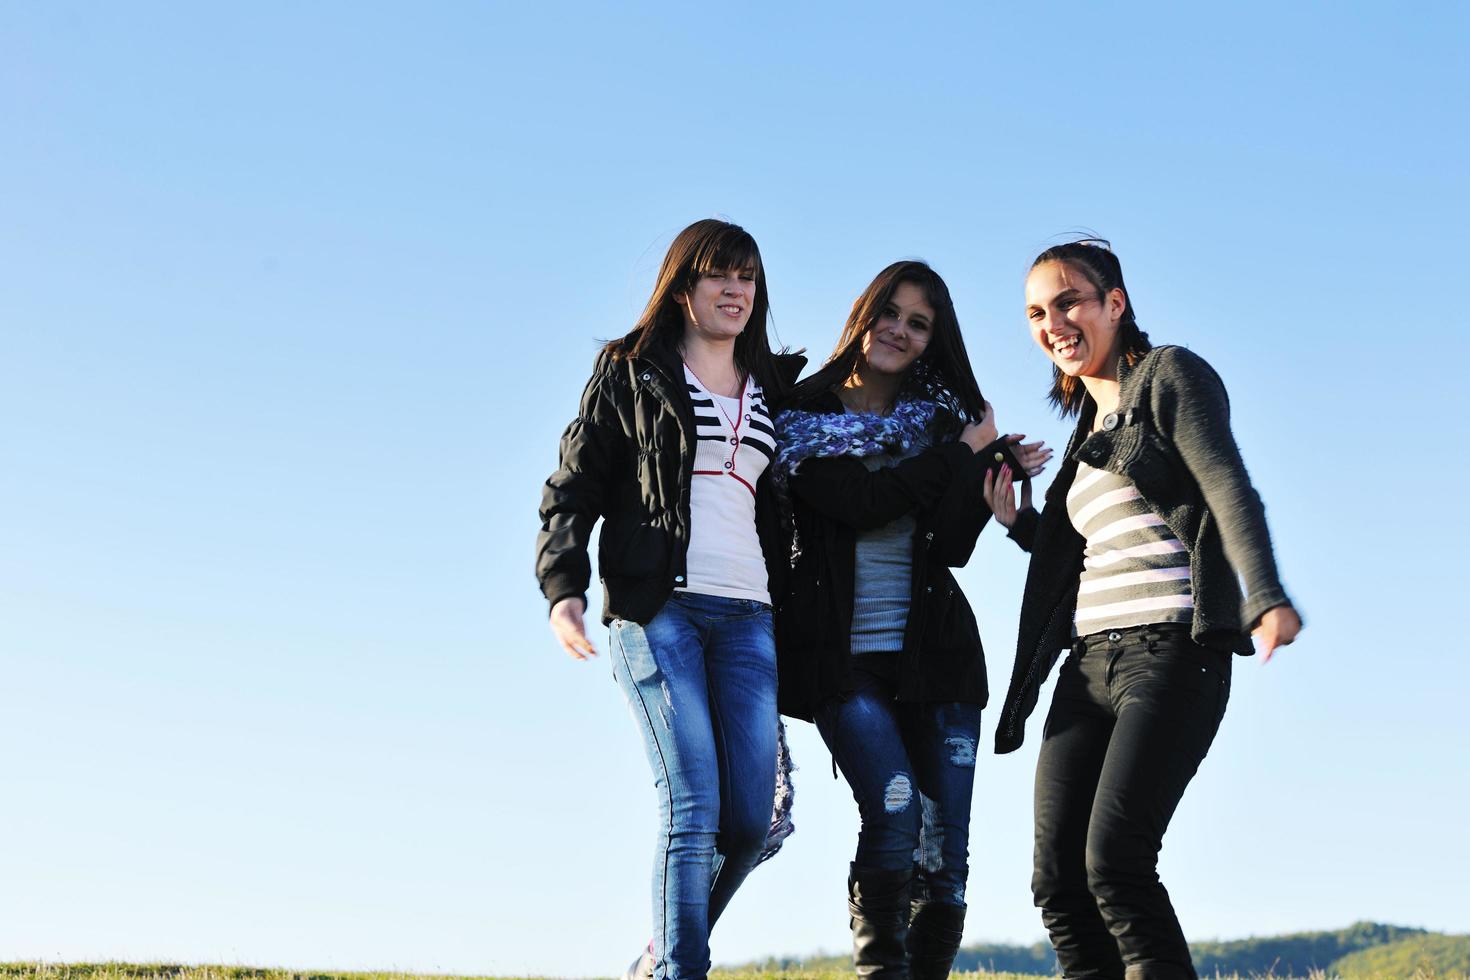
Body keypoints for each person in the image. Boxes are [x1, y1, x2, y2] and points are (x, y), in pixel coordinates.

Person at [983, 239, 1303, 980]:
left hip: (1169, 655)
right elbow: (1096, 554)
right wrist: (1020, 524)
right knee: (1057, 883)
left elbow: (1225, 486)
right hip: (1086, 666)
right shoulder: (1085, 437)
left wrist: (1265, 595)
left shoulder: (1169, 376)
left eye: (1069, 301)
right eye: (1036, 312)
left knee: (1116, 866)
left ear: (1114, 304)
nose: (1053, 322)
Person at [535, 218, 805, 980]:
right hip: (660, 611)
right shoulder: (631, 372)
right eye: (720, 275)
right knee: (692, 809)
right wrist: (564, 588)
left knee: (752, 823)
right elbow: (573, 485)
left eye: (748, 277)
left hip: (750, 618)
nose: (736, 291)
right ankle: (682, 972)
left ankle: (660, 955)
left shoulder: (776, 386)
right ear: (683, 286)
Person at [773, 260, 1049, 980]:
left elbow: (952, 545)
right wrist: (960, 456)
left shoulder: (941, 426)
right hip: (843, 663)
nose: (898, 330)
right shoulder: (801, 418)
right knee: (894, 813)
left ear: (933, 340)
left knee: (946, 848)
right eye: (888, 312)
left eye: (918, 323)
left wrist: (985, 472)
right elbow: (861, 504)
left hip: (940, 660)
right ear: (863, 314)